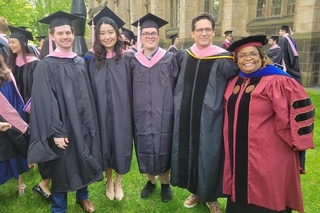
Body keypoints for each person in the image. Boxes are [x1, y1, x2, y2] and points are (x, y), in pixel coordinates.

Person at [224, 35, 315, 213]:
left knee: (268, 196)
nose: (248, 58)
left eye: (252, 54)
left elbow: (301, 113)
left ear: (262, 56)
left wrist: (296, 148)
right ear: (236, 60)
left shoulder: (279, 81)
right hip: (237, 154)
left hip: (269, 156)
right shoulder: (234, 82)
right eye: (242, 55)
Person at [28, 11, 103, 213]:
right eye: (60, 33)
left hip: (82, 122)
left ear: (73, 33)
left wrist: (89, 121)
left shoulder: (79, 61)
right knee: (62, 165)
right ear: (52, 36)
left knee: (83, 155)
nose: (65, 37)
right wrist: (57, 131)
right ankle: (59, 206)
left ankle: (82, 197)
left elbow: (86, 95)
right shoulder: (45, 65)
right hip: (61, 126)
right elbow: (45, 101)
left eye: (68, 32)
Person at [170, 12, 239, 213]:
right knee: (189, 152)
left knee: (209, 155)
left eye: (207, 29)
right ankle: (195, 191)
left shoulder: (225, 58)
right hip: (185, 117)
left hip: (211, 118)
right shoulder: (183, 55)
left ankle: (211, 197)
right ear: (192, 33)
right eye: (199, 29)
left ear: (213, 32)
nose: (204, 33)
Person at [131, 13, 179, 203]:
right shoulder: (132, 61)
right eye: (146, 33)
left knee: (164, 145)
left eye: (153, 33)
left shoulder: (169, 58)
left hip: (164, 113)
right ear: (141, 37)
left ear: (158, 36)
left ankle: (165, 184)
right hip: (141, 113)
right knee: (145, 145)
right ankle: (150, 181)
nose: (150, 36)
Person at [87, 11, 133, 202]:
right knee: (105, 144)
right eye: (102, 33)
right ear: (97, 35)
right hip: (100, 112)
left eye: (110, 32)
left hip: (123, 112)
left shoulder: (128, 58)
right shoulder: (89, 59)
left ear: (117, 33)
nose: (107, 37)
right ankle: (108, 180)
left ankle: (118, 182)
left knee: (121, 144)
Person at [0, 55, 29, 196]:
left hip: (11, 118)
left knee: (16, 148)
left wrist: (18, 117)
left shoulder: (7, 75)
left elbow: (17, 97)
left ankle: (20, 184)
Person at [7, 26, 39, 105]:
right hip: (13, 105)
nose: (10, 45)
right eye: (9, 42)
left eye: (13, 42)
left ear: (24, 43)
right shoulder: (10, 62)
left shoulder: (34, 63)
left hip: (29, 106)